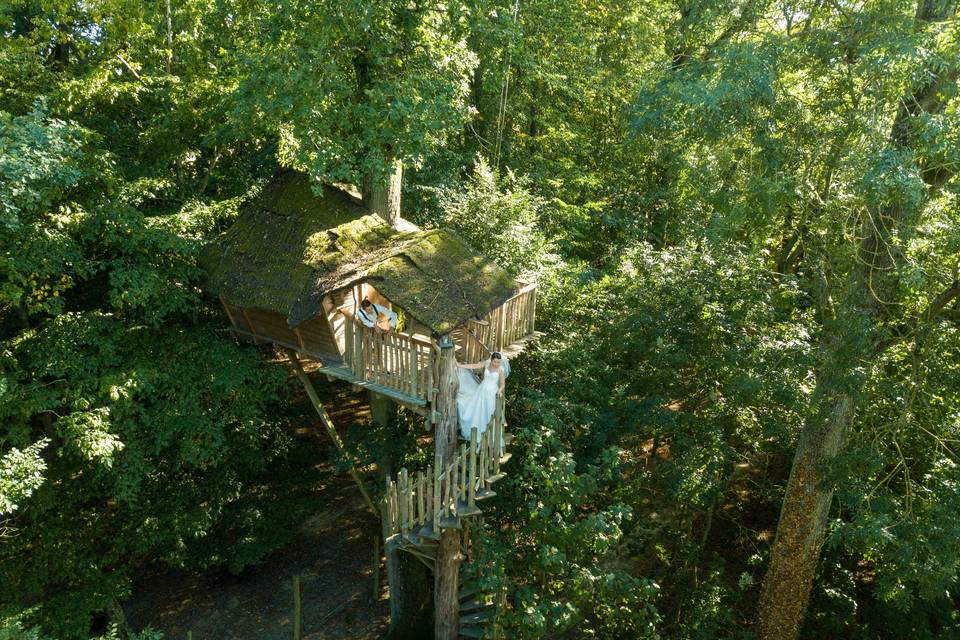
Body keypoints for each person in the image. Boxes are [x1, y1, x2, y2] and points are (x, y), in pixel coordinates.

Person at [456, 352, 507, 442]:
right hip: (482, 390)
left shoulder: (501, 370)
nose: (496, 364)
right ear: (491, 360)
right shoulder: (487, 363)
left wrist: (499, 390)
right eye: (495, 362)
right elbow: (475, 366)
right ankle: (477, 432)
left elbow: (503, 384)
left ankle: (490, 434)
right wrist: (460, 366)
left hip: (492, 392)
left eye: (498, 362)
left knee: (489, 411)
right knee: (478, 410)